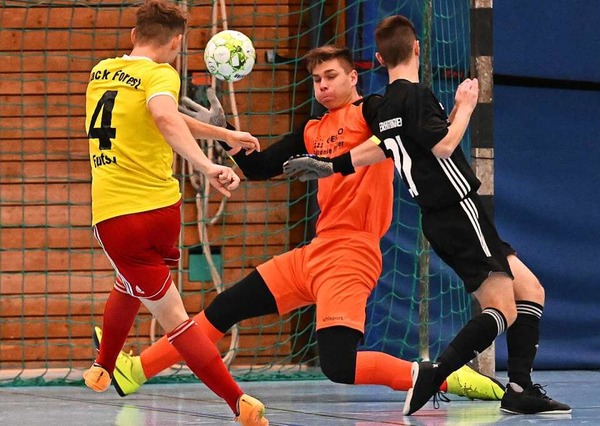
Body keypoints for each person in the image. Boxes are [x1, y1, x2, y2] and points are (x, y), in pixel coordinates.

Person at [91, 44, 506, 413]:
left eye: (331, 77)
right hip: (316, 252)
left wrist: (337, 163)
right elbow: (258, 167)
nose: (322, 86)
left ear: (353, 77)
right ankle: (136, 371)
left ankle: (444, 376)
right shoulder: (311, 130)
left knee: (339, 366)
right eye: (316, 80)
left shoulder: (374, 111)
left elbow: (393, 139)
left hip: (352, 255)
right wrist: (222, 133)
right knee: (224, 307)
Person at [283, 15, 571, 416]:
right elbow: (443, 147)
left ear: (379, 58)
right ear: (417, 48)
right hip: (459, 209)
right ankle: (438, 372)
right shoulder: (417, 96)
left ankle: (519, 387)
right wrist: (466, 106)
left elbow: (385, 147)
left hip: (442, 218)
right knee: (502, 308)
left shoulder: (383, 106)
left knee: (531, 290)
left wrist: (333, 165)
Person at [83, 1, 267, 425]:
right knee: (131, 281)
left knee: (174, 318)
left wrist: (211, 156)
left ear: (134, 35)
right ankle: (103, 366)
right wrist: (219, 142)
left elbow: (164, 116)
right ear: (178, 43)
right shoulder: (161, 75)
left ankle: (238, 402)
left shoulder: (102, 71)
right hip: (163, 210)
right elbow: (163, 116)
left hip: (119, 215)